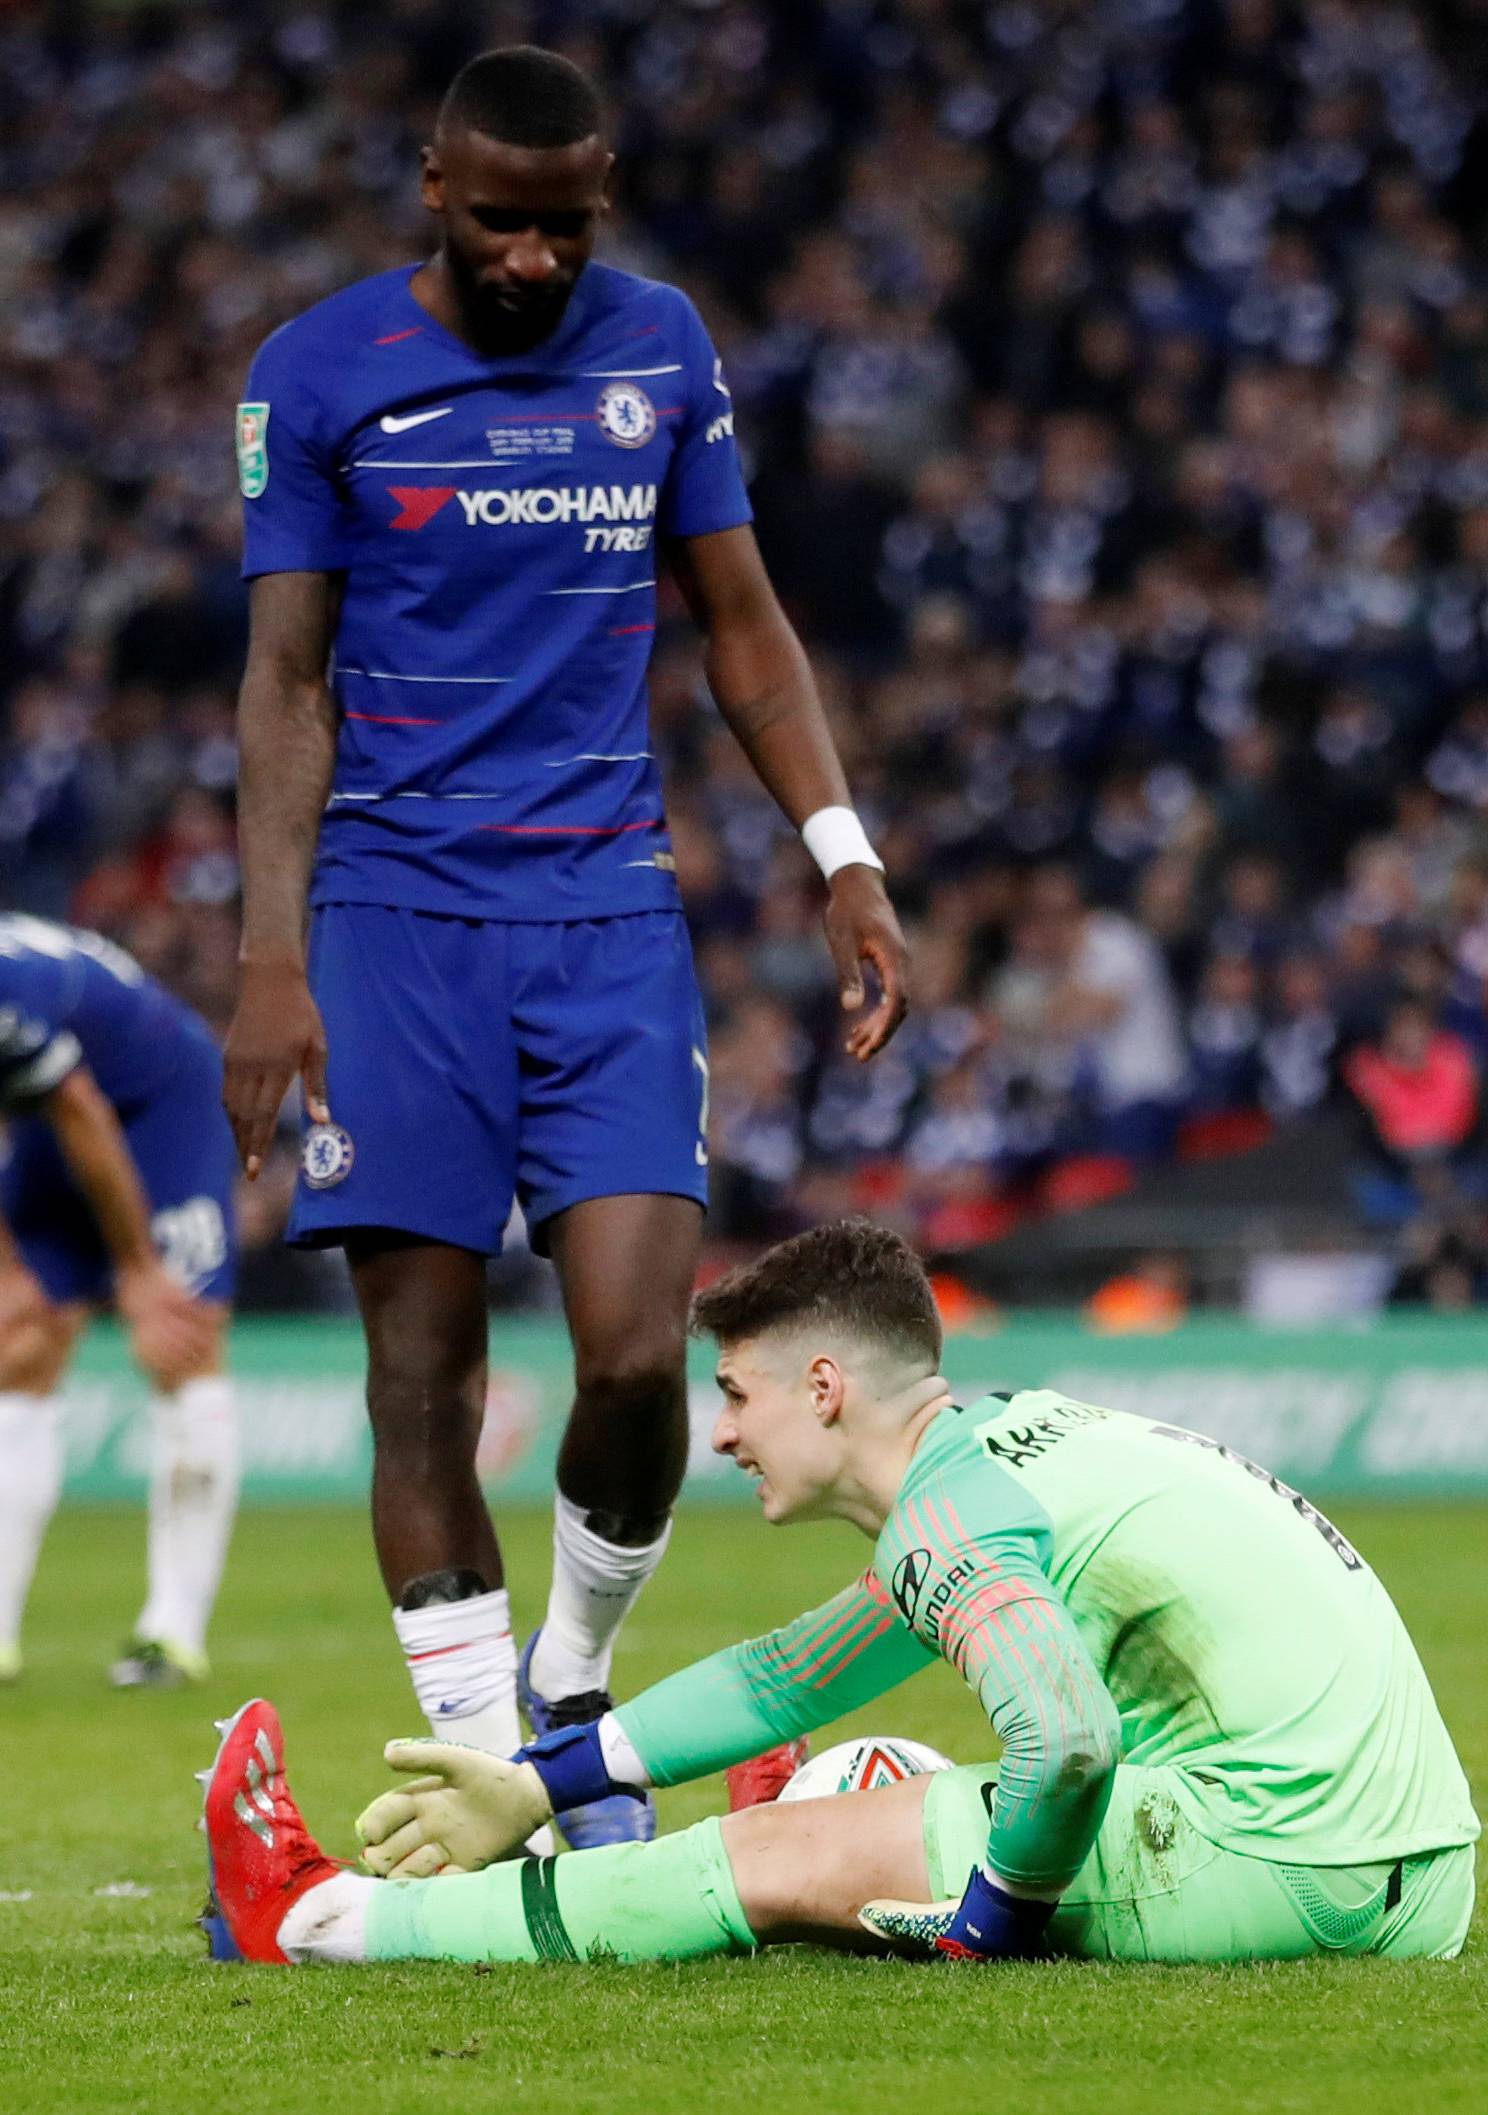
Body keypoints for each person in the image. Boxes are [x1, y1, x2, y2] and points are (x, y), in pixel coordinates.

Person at [220, 48, 907, 1843]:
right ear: (434, 188)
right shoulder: (318, 373)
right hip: (391, 924)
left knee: (630, 1350)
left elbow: (744, 628)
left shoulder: (663, 349)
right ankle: (490, 1772)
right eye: (504, 222)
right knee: (419, 1373)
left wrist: (841, 852)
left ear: (604, 202)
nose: (535, 261)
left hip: (605, 914)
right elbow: (285, 683)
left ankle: (571, 1692)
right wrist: (269, 959)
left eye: (569, 226)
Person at [199, 1220, 1480, 1969]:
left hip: (1294, 1864)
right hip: (1415, 1875)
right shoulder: (1001, 1447)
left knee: (773, 1857)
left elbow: (1070, 1738)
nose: (723, 1438)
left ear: (824, 1390)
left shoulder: (949, 1511)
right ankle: (827, 1811)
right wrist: (543, 1786)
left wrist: (995, 1920)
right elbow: (785, 1675)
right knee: (835, 1807)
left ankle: (323, 1918)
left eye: (737, 1397)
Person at [0, 913, 236, 1687]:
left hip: (159, 1106)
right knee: (17, 1342)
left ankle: (172, 1632)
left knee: (180, 1340)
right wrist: (2, 1271)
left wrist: (138, 1271)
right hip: (52, 1115)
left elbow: (84, 1108)